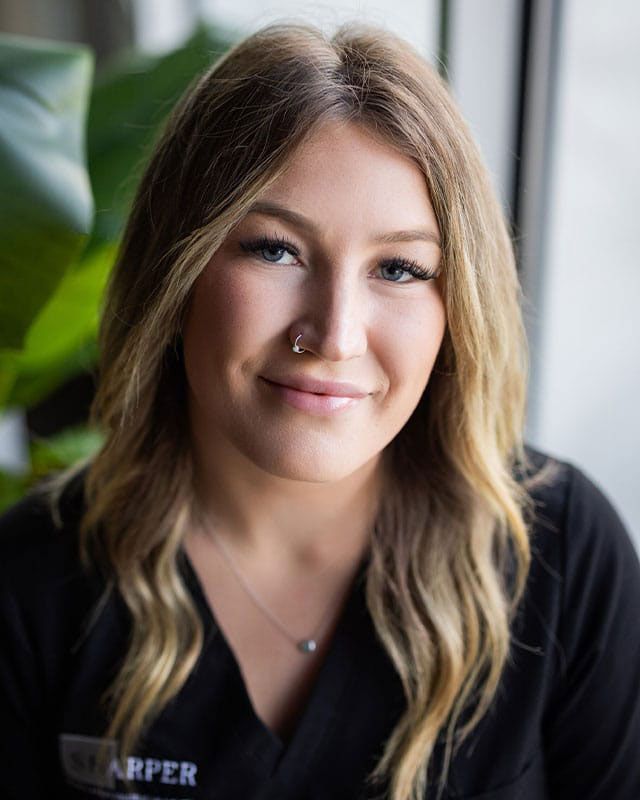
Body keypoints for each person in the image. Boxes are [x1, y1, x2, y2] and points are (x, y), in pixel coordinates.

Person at [0, 18, 639, 800]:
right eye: (276, 250)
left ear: (458, 308)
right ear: (178, 272)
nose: (334, 335)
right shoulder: (31, 580)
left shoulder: (562, 555)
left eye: (400, 268)